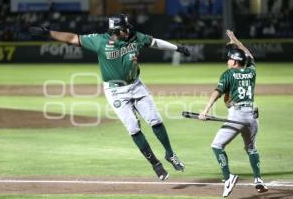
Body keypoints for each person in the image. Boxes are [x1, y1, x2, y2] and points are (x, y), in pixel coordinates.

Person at [29, 14, 190, 181]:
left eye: (127, 27)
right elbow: (72, 38)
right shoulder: (99, 41)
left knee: (155, 120)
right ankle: (155, 164)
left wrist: (177, 48)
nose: (128, 30)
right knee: (133, 128)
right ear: (115, 30)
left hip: (136, 85)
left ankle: (170, 154)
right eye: (123, 28)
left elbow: (155, 42)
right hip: (115, 91)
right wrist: (49, 33)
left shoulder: (135, 37)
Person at [198, 30, 268, 197]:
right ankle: (258, 179)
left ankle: (228, 177)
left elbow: (217, 92)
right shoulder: (251, 72)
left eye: (230, 58)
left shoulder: (228, 74)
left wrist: (205, 111)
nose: (227, 61)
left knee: (217, 146)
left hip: (237, 116)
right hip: (252, 116)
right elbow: (248, 55)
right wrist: (235, 40)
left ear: (235, 61)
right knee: (251, 148)